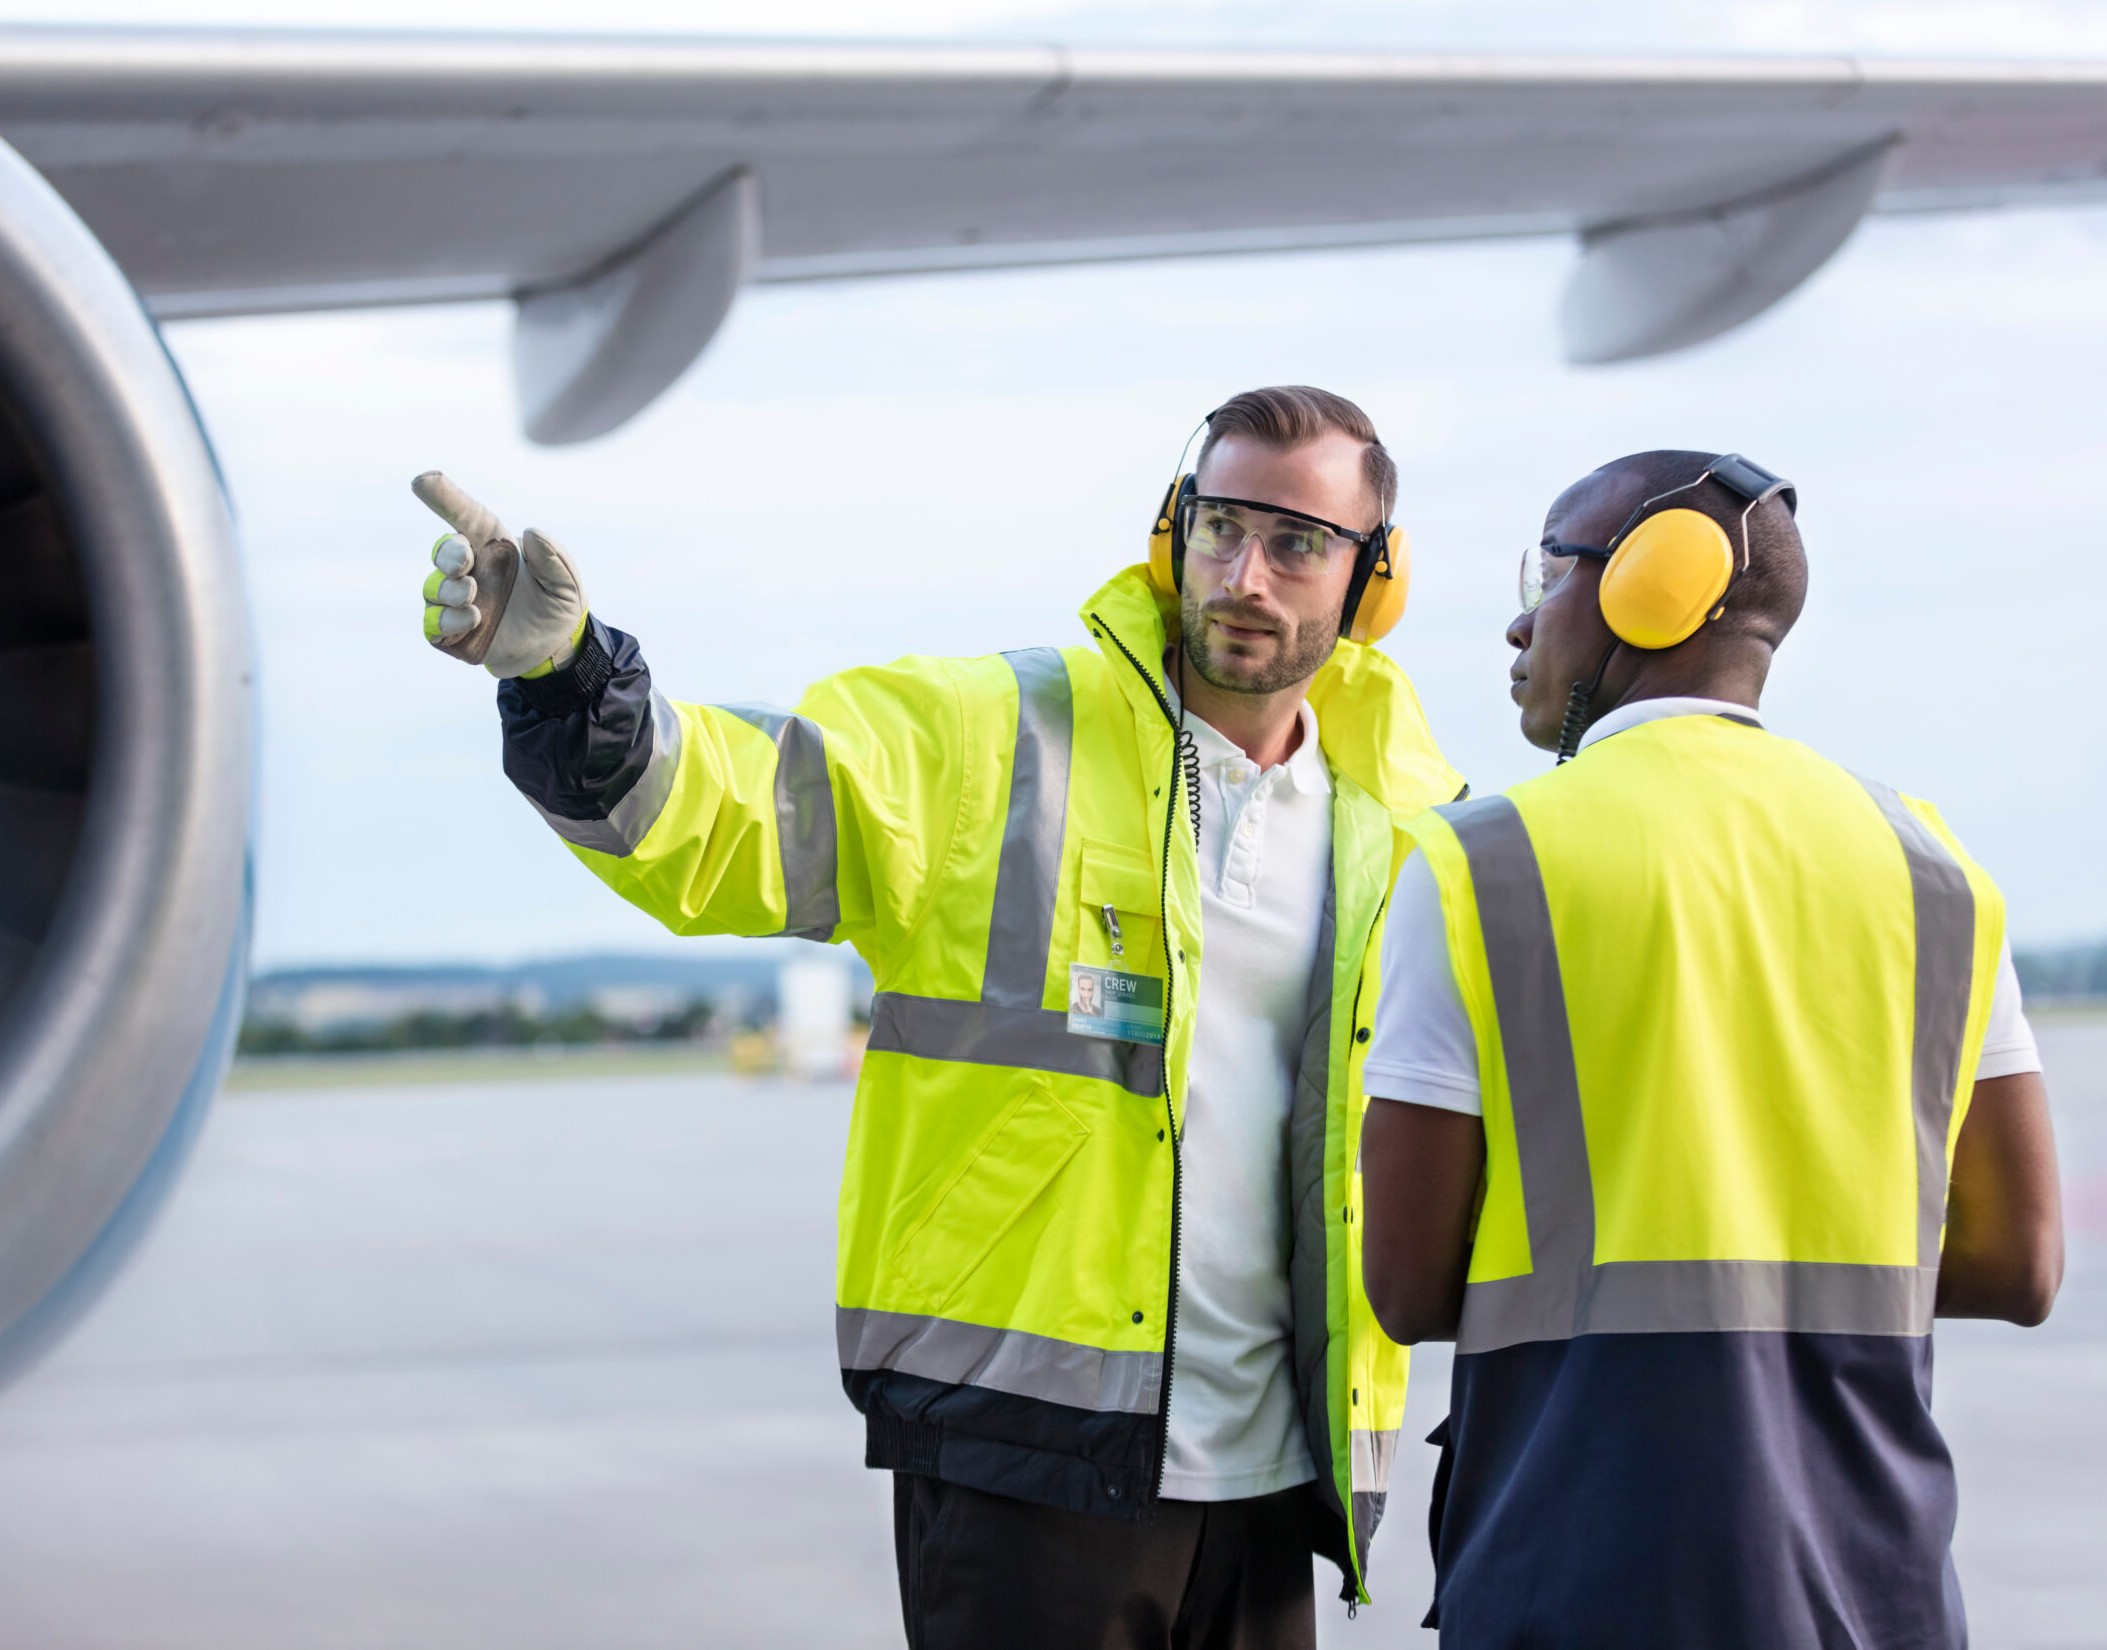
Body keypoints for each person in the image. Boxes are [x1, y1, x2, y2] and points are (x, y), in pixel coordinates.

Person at [414, 387, 1463, 1648]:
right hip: (1026, 1455)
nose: (1246, 574)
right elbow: (733, 814)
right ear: (1168, 532)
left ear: (1372, 582)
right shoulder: (997, 739)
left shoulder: (1405, 830)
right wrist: (562, 681)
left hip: (1275, 1479)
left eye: (1297, 543)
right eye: (1220, 527)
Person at [1359, 450, 2064, 1649]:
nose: (1526, 620)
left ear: (1656, 584)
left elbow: (1408, 1286)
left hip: (1580, 1564)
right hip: (1872, 1585)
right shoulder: (1930, 864)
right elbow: (2019, 1263)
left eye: (1553, 569)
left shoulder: (1483, 862)